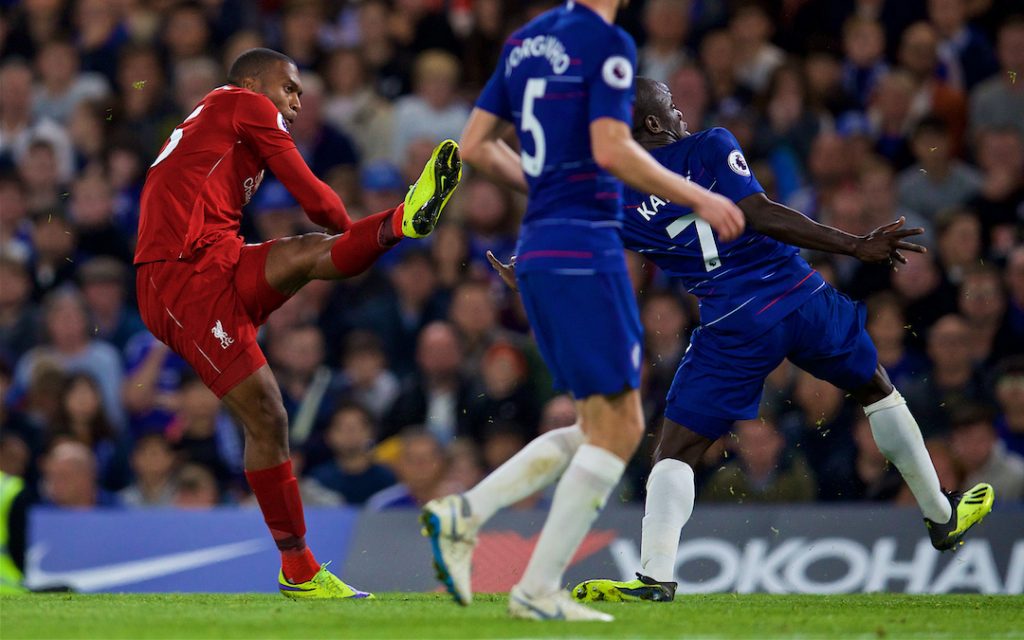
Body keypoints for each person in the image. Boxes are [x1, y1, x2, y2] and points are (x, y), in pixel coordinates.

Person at [487, 78, 994, 604]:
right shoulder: (709, 146)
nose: (682, 114)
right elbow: (760, 213)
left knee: (677, 450)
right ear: (655, 125)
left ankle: (656, 577)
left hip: (734, 323)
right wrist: (854, 245)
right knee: (876, 390)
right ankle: (939, 513)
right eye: (672, 107)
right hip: (800, 296)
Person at [420, 0, 744, 621]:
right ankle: (533, 586)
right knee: (621, 428)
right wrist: (697, 195)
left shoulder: (524, 43)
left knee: (602, 423)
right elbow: (613, 148)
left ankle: (468, 518)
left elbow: (476, 146)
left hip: (540, 244)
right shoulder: (607, 42)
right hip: (583, 248)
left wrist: (549, 193)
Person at [133, 48, 461, 599]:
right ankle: (299, 568)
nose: (298, 100)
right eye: (290, 88)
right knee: (268, 414)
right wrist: (353, 233)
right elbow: (313, 196)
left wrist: (351, 241)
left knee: (308, 255)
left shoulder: (216, 123)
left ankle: (403, 218)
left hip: (219, 259)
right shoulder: (243, 104)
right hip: (179, 278)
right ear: (254, 82)